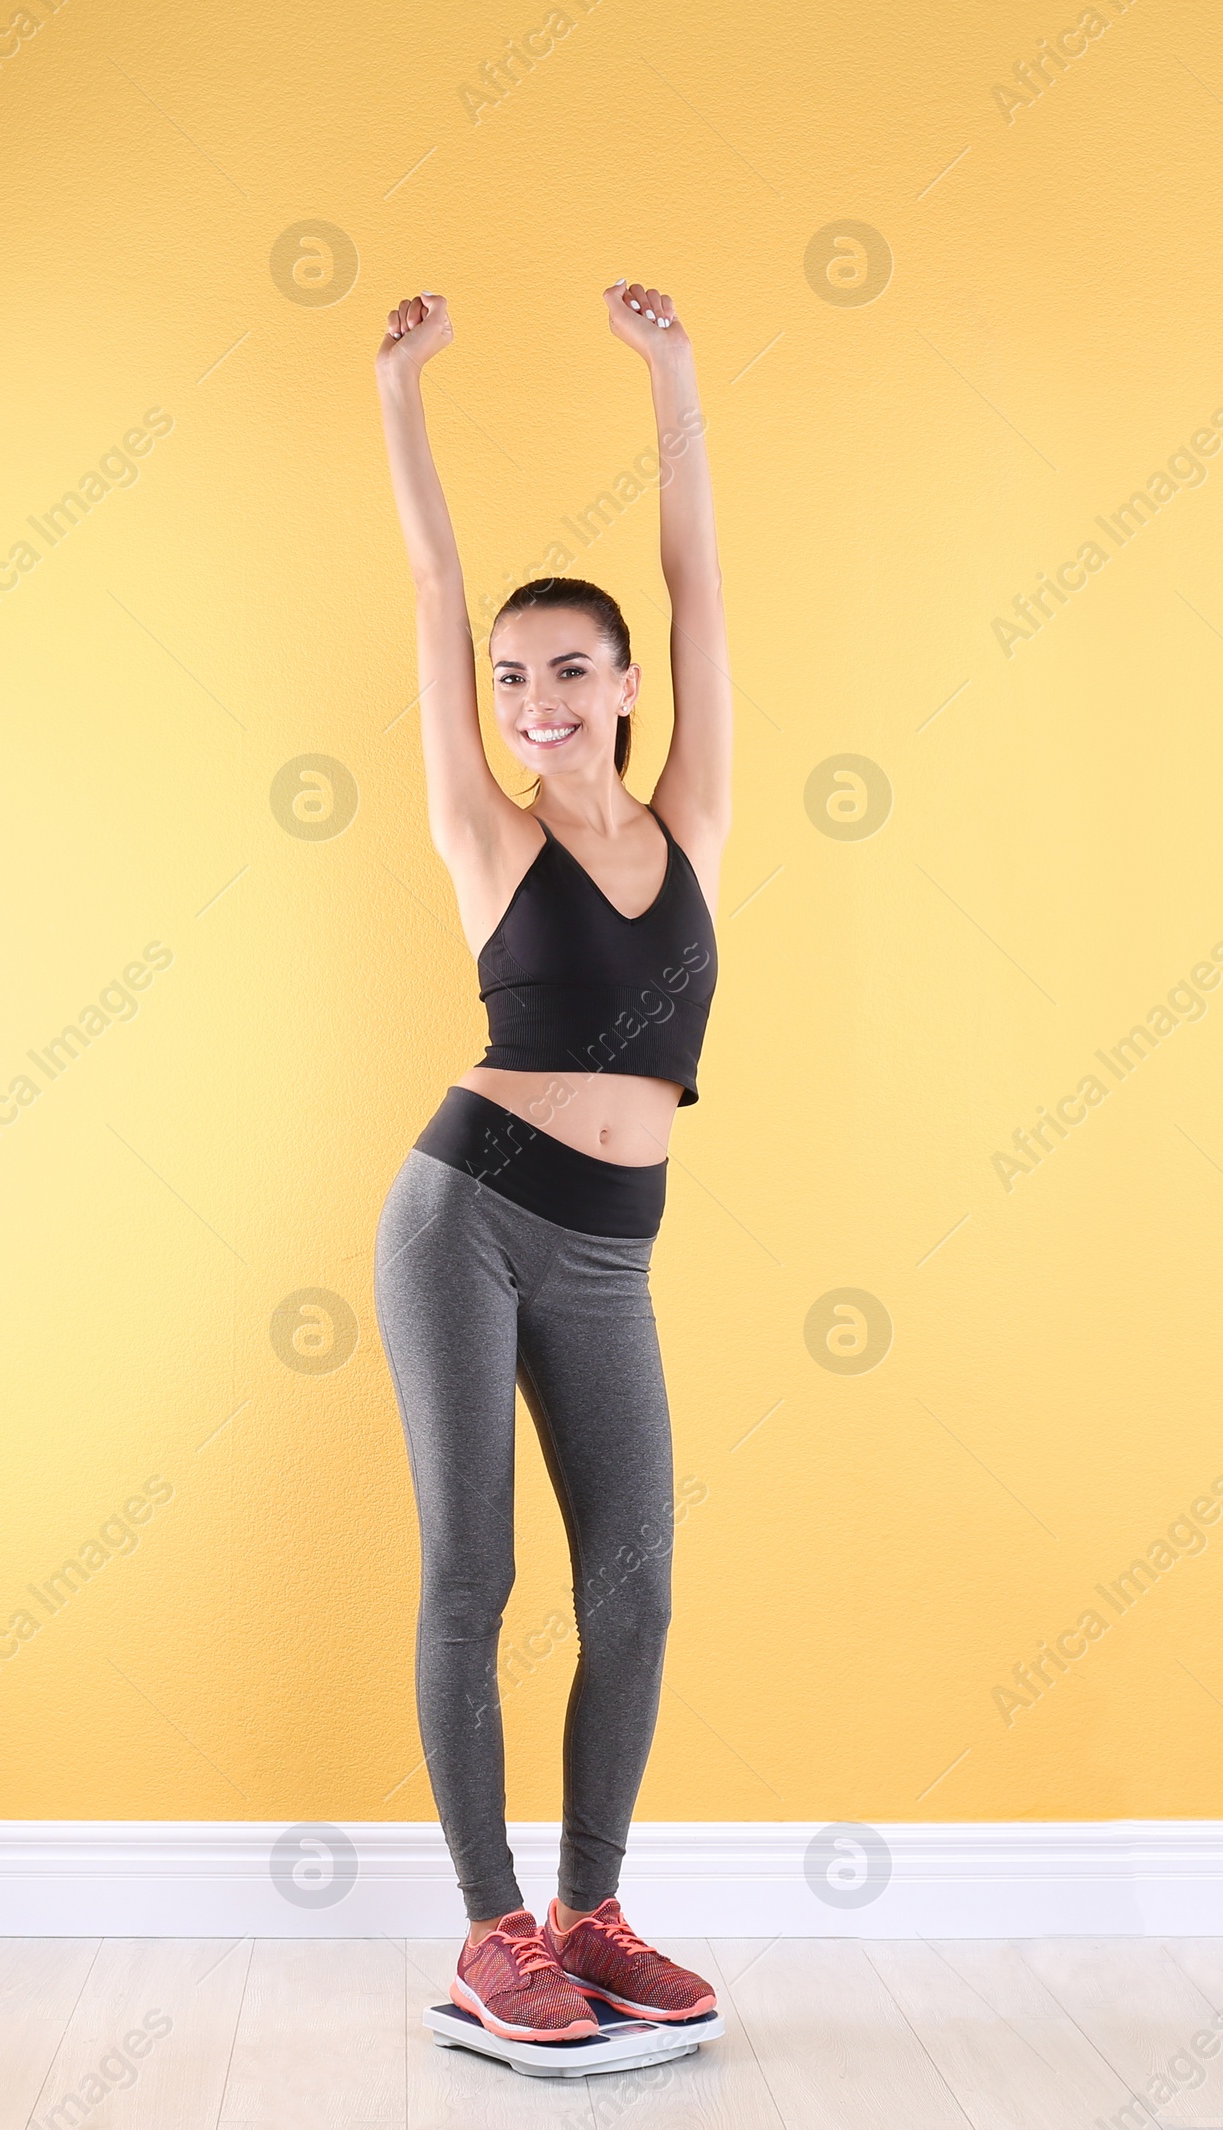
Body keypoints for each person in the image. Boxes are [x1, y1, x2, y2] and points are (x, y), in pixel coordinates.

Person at [372, 279, 732, 2044]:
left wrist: (669, 376)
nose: (534, 699)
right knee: (473, 1576)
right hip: (467, 1220)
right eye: (514, 680)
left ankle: (589, 1909)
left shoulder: (694, 824)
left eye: (569, 671)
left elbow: (699, 585)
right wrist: (401, 397)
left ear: (625, 689)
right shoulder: (482, 833)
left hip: (610, 1251)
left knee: (638, 1584)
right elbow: (435, 591)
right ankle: (487, 1930)